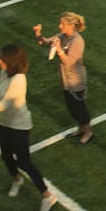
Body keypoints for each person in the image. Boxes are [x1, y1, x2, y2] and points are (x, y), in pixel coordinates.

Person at [0, 44, 59, 211]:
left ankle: (47, 195)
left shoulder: (19, 80)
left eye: (2, 59)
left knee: (24, 162)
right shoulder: (5, 73)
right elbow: (0, 97)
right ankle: (17, 180)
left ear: (11, 62)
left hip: (19, 126)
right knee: (6, 155)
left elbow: (4, 105)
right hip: (5, 123)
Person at [33, 12, 92, 144]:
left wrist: (59, 50)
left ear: (71, 25)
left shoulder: (78, 41)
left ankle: (88, 131)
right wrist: (38, 34)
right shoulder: (63, 36)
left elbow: (69, 62)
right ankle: (80, 129)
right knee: (71, 107)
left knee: (79, 107)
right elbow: (45, 42)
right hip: (66, 80)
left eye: (63, 24)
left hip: (76, 81)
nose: (59, 26)